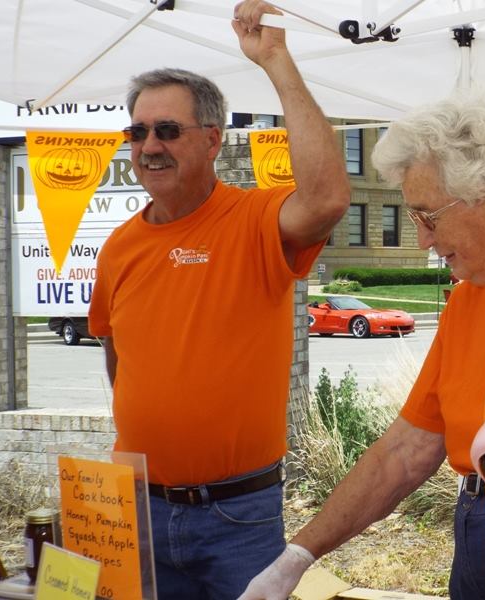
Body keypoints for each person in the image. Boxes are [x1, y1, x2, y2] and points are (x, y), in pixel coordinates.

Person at [238, 89, 485, 600]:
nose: (424, 241)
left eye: (428, 216)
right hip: (479, 526)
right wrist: (297, 556)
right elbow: (407, 450)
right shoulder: (468, 298)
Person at [87, 1, 350, 598]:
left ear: (212, 140)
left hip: (236, 515)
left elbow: (328, 199)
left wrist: (275, 60)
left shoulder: (252, 219)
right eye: (137, 132)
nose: (149, 145)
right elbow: (114, 349)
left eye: (167, 130)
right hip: (138, 508)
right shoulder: (120, 246)